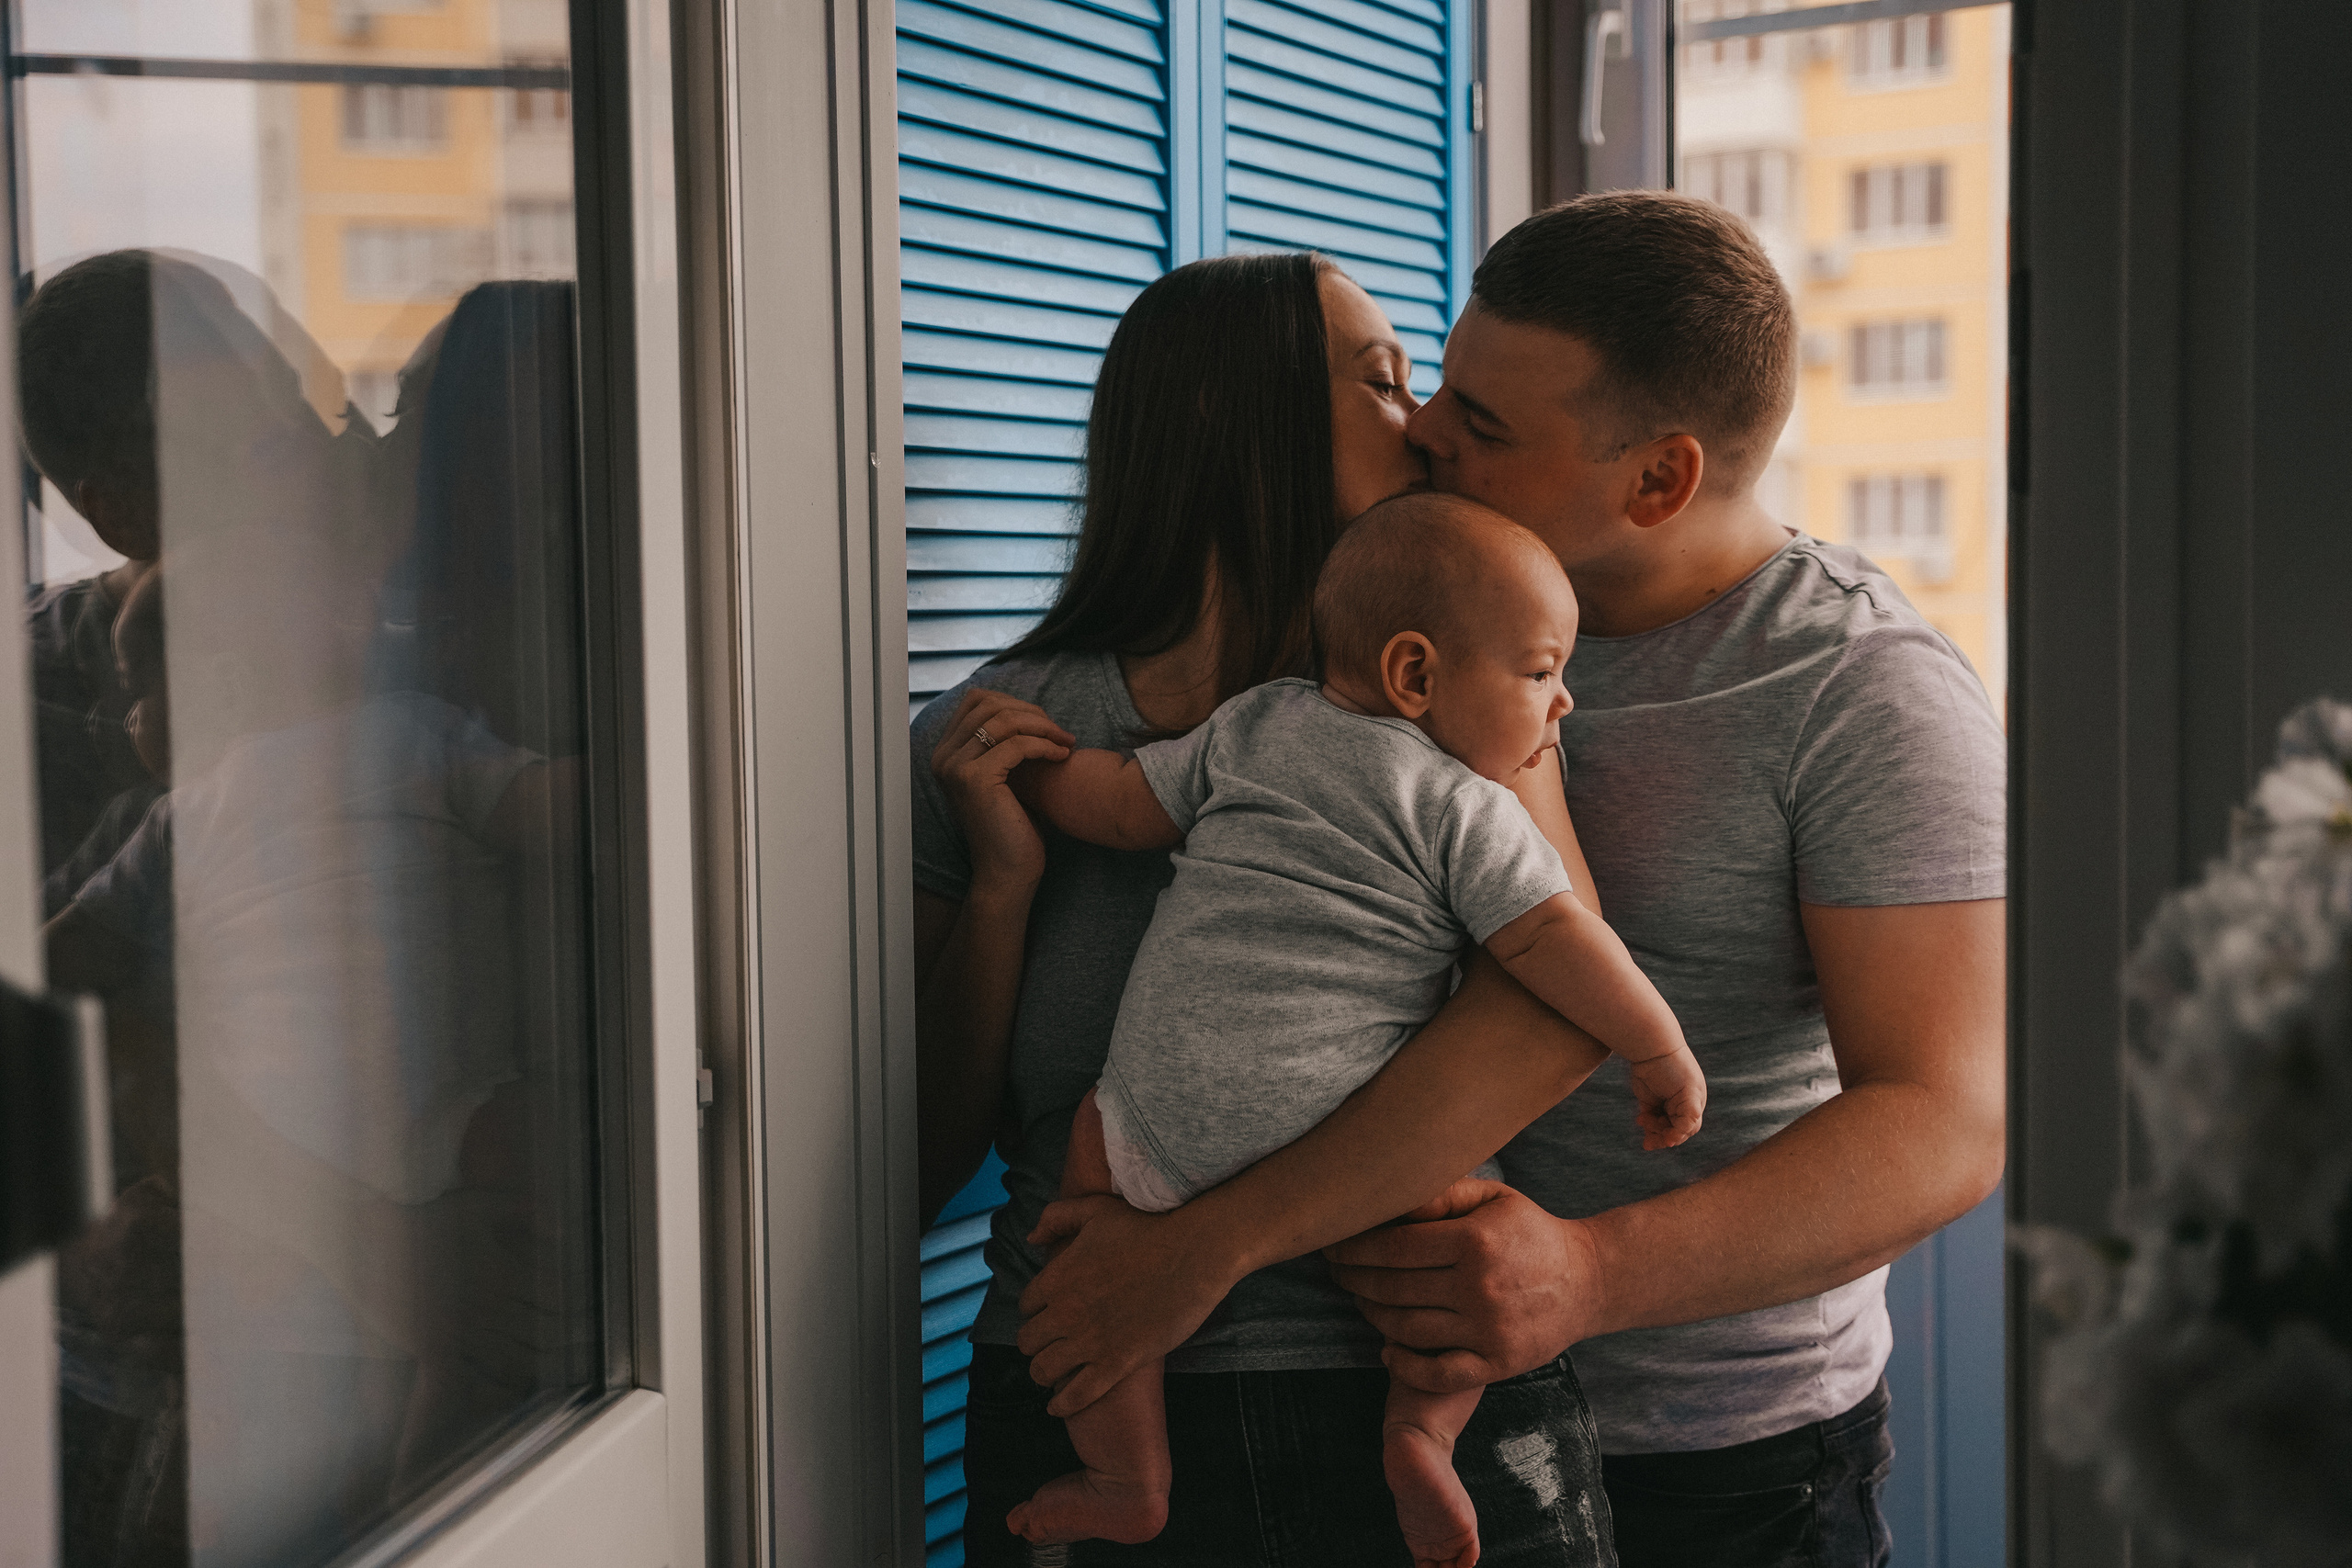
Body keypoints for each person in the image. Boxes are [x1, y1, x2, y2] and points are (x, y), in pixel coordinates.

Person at [1006, 192, 2007, 1566]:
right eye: (1439, 384)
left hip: (1714, 1452)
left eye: (1481, 425)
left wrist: (1591, 1274)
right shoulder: (1396, 623)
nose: (1425, 431)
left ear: (1657, 479)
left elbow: (1947, 1119)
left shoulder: (1861, 690)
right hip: (1418, 1410)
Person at [915, 254, 1624, 1566]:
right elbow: (913, 1152)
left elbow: (1556, 1020)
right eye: (1381, 380)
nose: (1421, 423)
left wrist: (1199, 1248)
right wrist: (1006, 887)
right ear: (1222, 416)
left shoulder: (1452, 701)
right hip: (1082, 1401)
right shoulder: (1003, 740)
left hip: (1413, 1399)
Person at [973, 492, 1702, 1566]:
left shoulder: (1257, 725)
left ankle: (1127, 1478)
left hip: (1163, 1118)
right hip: (1355, 1137)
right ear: (1416, 674)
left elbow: (1121, 803)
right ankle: (1419, 1427)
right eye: (1542, 671)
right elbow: (1561, 948)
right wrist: (1659, 1046)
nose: (1565, 706)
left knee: (1086, 1235)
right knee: (1444, 1264)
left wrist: (1028, 769)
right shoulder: (1468, 807)